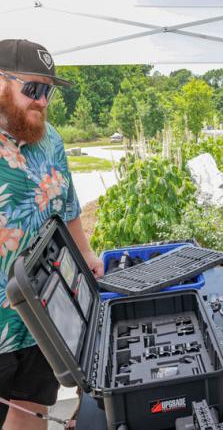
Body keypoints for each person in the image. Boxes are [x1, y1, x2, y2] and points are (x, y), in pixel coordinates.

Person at [0, 39, 104, 430]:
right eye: (33, 89)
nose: (43, 101)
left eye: (48, 91)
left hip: (44, 315)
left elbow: (69, 208)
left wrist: (88, 255)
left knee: (32, 414)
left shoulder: (51, 138)